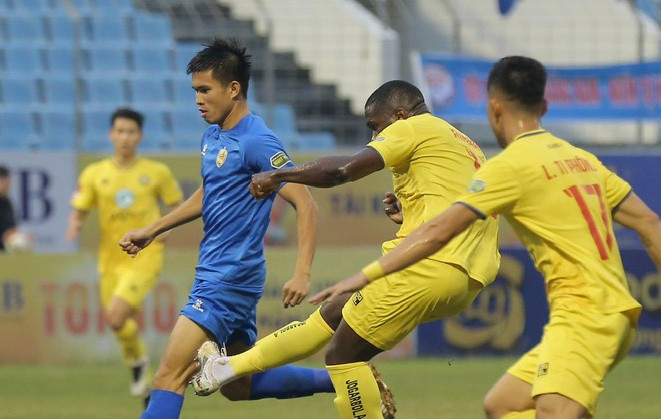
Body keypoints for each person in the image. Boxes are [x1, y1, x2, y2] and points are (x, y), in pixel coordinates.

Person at [307, 57, 661, 418]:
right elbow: (650, 223)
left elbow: (438, 231)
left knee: (554, 412)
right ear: (543, 106)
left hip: (584, 315)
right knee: (501, 405)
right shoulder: (582, 159)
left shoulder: (508, 167)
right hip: (612, 310)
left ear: (494, 109)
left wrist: (364, 276)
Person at [191, 80, 501, 419]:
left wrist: (280, 176)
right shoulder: (464, 143)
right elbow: (460, 204)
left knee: (343, 357)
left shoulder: (412, 127)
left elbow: (342, 170)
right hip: (468, 275)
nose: (375, 137)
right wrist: (411, 212)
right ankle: (226, 368)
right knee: (333, 312)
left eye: (376, 126)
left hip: (427, 265)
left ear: (399, 115)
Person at [119, 38, 334, 419]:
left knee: (169, 376)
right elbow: (209, 192)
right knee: (238, 386)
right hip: (229, 273)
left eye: (205, 90)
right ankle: (341, 378)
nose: (198, 100)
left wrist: (302, 273)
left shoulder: (257, 141)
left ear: (233, 89)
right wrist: (153, 228)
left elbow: (306, 203)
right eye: (195, 91)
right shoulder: (214, 136)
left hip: (227, 276)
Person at [66, 107, 183, 403]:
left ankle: (142, 367)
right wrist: (74, 224)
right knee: (117, 321)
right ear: (111, 134)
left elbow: (178, 206)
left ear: (140, 136)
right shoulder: (95, 174)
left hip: (145, 256)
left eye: (131, 132)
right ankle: (139, 364)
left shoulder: (156, 172)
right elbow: (80, 209)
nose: (125, 137)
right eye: (120, 131)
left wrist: (166, 228)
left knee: (117, 314)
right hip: (110, 260)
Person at [0, 166, 17, 251]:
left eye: (8, 182)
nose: (7, 185)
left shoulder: (7, 202)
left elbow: (10, 228)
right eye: (3, 181)